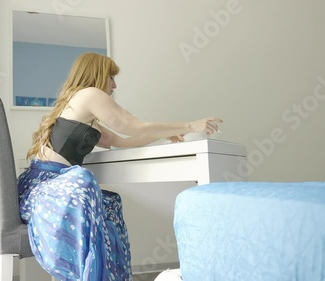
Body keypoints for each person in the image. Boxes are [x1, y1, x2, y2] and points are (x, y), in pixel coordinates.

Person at [17, 52, 222, 281]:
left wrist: (168, 133)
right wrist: (190, 124)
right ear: (96, 74)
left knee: (110, 203)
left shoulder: (83, 111)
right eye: (110, 77)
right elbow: (131, 125)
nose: (114, 85)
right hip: (45, 187)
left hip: (45, 186)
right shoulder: (89, 94)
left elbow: (123, 140)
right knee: (82, 179)